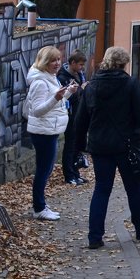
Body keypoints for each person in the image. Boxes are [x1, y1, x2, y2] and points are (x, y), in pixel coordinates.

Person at [75, 45, 140, 249]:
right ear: (123, 64)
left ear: (105, 62)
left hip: (100, 146)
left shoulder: (91, 87)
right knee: (133, 187)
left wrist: (79, 146)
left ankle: (94, 237)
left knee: (101, 190)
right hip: (126, 146)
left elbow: (81, 120)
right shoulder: (129, 84)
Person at [25, 46, 77, 221]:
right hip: (43, 131)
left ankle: (41, 204)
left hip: (50, 129)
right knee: (44, 170)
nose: (57, 63)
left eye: (58, 59)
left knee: (45, 169)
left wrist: (67, 93)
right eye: (52, 60)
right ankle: (39, 207)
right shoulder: (40, 82)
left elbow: (56, 105)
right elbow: (38, 110)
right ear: (44, 62)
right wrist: (56, 97)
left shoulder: (50, 77)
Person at [57, 51, 88, 185]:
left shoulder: (79, 75)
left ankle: (76, 172)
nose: (82, 67)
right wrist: (81, 89)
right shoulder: (63, 77)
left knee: (77, 145)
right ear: (73, 63)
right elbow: (66, 96)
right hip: (70, 115)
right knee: (70, 145)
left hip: (80, 114)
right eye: (80, 65)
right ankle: (69, 175)